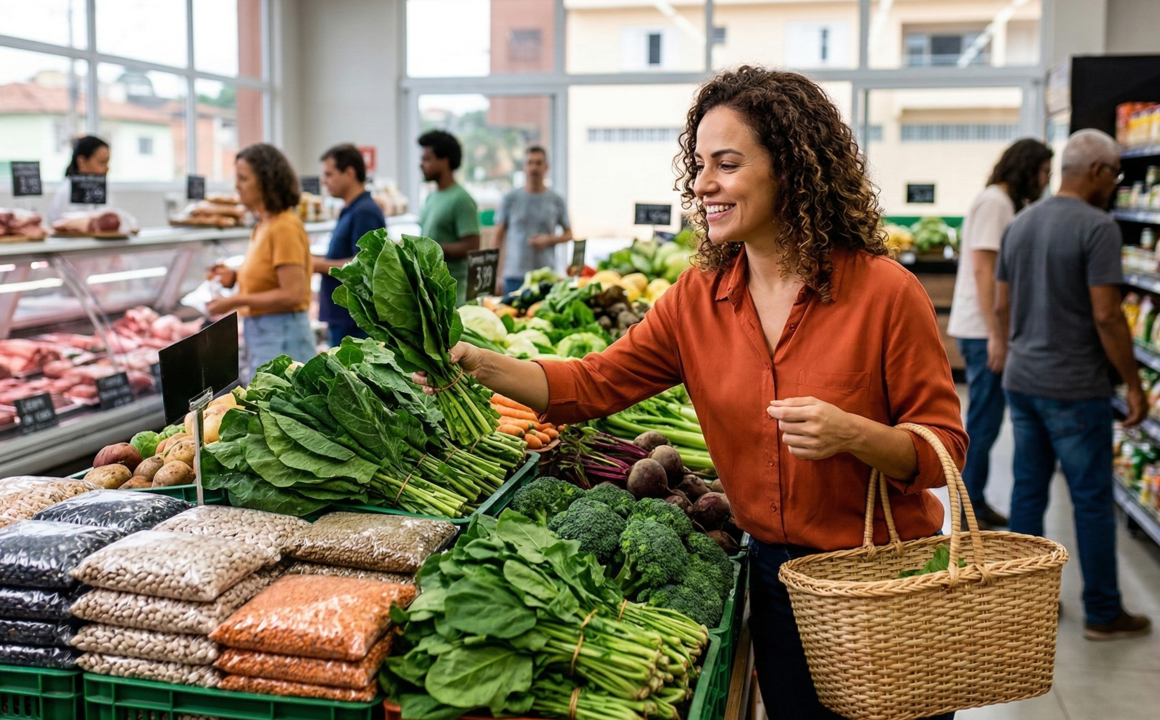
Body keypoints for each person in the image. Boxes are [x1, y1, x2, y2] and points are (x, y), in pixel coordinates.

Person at [417, 67, 964, 720]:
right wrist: (478, 361)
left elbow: (945, 455)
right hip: (780, 584)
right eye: (699, 164)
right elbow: (589, 384)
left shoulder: (884, 293)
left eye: (726, 164)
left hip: (885, 581)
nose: (703, 183)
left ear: (789, 167)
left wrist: (855, 435)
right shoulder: (695, 302)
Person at [995, 128, 1152, 641]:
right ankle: (1104, 612)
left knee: (1026, 496)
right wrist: (1133, 383)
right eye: (1115, 174)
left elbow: (1001, 305)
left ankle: (1025, 604)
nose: (1115, 184)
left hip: (1023, 378)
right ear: (1098, 172)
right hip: (1074, 385)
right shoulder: (1098, 227)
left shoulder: (1020, 223)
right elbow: (1108, 316)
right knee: (1089, 500)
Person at [948, 138, 1053, 530]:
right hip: (982, 330)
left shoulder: (1002, 202)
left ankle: (974, 502)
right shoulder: (995, 203)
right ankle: (966, 511)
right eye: (1043, 172)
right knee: (984, 424)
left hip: (986, 328)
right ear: (1026, 169)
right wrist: (997, 334)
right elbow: (983, 271)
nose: (1045, 180)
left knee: (987, 422)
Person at [206, 143, 315, 375]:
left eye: (243, 178)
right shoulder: (264, 225)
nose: (236, 186)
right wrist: (234, 277)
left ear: (266, 181)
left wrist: (234, 301)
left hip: (283, 335)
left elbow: (292, 293)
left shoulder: (284, 226)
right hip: (265, 333)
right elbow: (270, 276)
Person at [314, 143, 386, 347]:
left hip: (355, 321)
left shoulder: (365, 212)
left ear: (349, 172)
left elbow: (363, 265)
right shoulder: (350, 209)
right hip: (343, 318)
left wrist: (316, 265)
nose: (324, 181)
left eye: (329, 174)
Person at [494, 146, 573, 295]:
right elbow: (497, 237)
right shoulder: (510, 199)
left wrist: (549, 239)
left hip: (546, 276)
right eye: (530, 163)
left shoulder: (556, 200)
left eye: (538, 163)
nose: (534, 168)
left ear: (546, 167)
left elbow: (569, 234)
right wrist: (495, 277)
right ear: (524, 166)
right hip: (514, 276)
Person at [418, 130, 480, 303]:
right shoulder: (432, 197)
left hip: (455, 297)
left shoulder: (462, 199)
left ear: (444, 161)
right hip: (432, 294)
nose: (421, 164)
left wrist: (428, 248)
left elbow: (471, 247)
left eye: (427, 159)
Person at [48, 135, 112, 224]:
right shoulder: (66, 191)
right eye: (102, 162)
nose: (107, 168)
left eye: (107, 162)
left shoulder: (101, 189)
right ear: (81, 162)